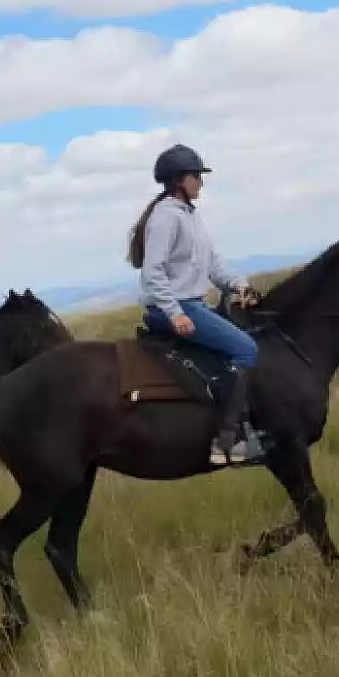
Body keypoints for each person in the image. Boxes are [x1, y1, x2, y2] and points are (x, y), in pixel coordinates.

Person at [127, 144, 264, 465]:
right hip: (177, 308)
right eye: (196, 176)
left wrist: (241, 285)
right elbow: (152, 272)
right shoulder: (166, 217)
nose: (201, 182)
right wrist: (175, 313)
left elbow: (213, 265)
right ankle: (227, 439)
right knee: (247, 350)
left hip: (192, 304)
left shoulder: (190, 216)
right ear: (179, 180)